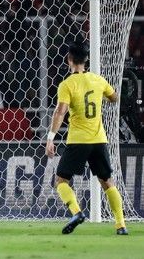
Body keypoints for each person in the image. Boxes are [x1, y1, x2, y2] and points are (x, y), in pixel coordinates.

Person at [46, 41, 128, 235]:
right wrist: (106, 97)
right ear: (86, 60)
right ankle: (121, 225)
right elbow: (115, 97)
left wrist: (51, 137)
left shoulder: (67, 84)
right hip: (99, 139)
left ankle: (76, 212)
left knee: (61, 180)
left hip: (78, 140)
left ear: (69, 60)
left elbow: (60, 111)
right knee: (107, 181)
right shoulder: (98, 80)